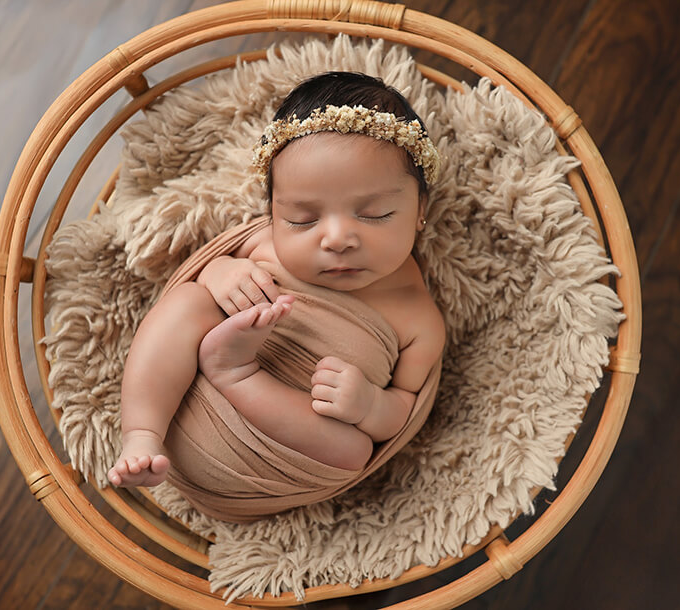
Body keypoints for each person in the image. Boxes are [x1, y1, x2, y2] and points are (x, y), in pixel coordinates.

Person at [108, 71, 446, 488]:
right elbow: (187, 277)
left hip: (283, 451)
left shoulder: (420, 321)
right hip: (178, 414)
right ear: (272, 215)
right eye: (302, 220)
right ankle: (140, 434)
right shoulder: (261, 245)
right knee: (189, 302)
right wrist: (220, 272)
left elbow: (404, 408)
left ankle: (235, 373)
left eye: (374, 214)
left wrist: (370, 406)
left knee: (354, 452)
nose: (337, 239)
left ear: (419, 211)